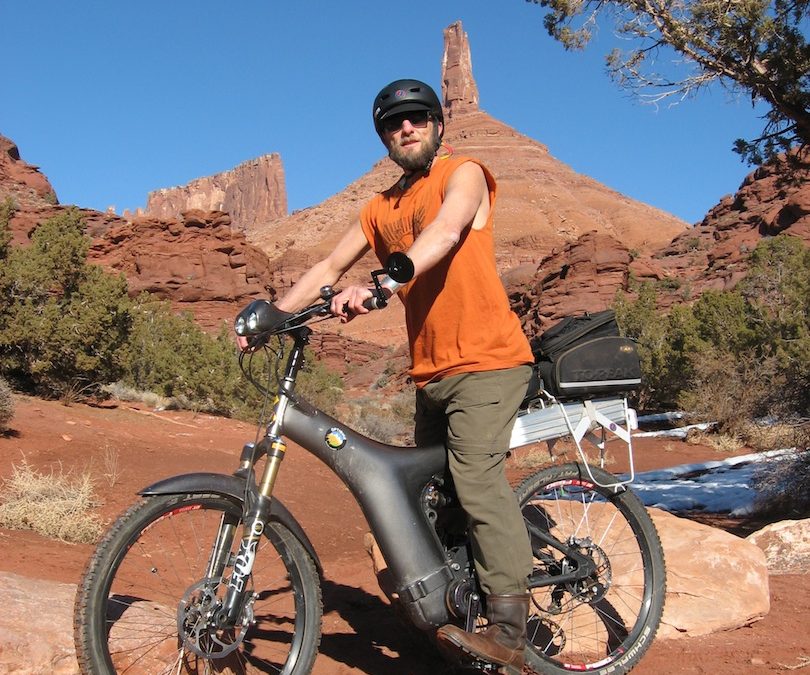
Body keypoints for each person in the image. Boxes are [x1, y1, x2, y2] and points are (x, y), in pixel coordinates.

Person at [244, 79, 534, 670]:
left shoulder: (464, 173)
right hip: (431, 374)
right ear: (384, 137)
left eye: (417, 118)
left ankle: (509, 633)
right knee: (441, 498)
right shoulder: (379, 208)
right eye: (394, 123)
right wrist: (271, 316)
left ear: (437, 124)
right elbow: (328, 264)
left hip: (488, 362)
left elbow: (447, 232)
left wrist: (386, 281)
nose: (406, 129)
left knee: (475, 482)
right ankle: (457, 613)